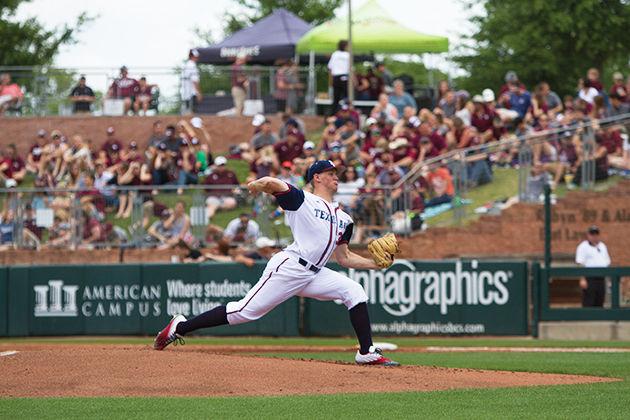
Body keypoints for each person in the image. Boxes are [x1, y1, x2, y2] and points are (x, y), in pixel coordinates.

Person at [154, 159, 400, 366]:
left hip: (315, 273)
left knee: (354, 290)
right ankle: (180, 326)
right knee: (244, 312)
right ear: (317, 177)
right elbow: (273, 184)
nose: (336, 177)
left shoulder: (345, 219)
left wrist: (375, 264)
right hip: (290, 266)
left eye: (337, 173)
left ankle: (366, 352)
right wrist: (256, 184)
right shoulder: (303, 200)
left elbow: (344, 258)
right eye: (330, 173)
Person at [575, 225, 611, 307]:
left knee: (600, 300)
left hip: (601, 277)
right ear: (588, 235)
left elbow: (607, 262)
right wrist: (582, 279)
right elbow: (580, 263)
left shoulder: (602, 246)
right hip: (589, 278)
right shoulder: (583, 246)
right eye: (592, 234)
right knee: (589, 301)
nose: (594, 236)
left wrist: (608, 280)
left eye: (596, 234)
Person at [328, 40, 350, 114]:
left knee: (336, 97)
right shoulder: (347, 55)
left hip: (336, 78)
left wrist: (331, 80)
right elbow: (350, 68)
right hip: (344, 77)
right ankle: (345, 112)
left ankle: (334, 113)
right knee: (346, 97)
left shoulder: (335, 54)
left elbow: (330, 68)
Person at [181, 49, 202, 114]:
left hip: (186, 93)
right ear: (192, 56)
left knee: (187, 111)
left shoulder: (186, 65)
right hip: (191, 93)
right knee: (192, 112)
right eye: (196, 57)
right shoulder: (192, 65)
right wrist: (198, 92)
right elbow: (194, 80)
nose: (197, 58)